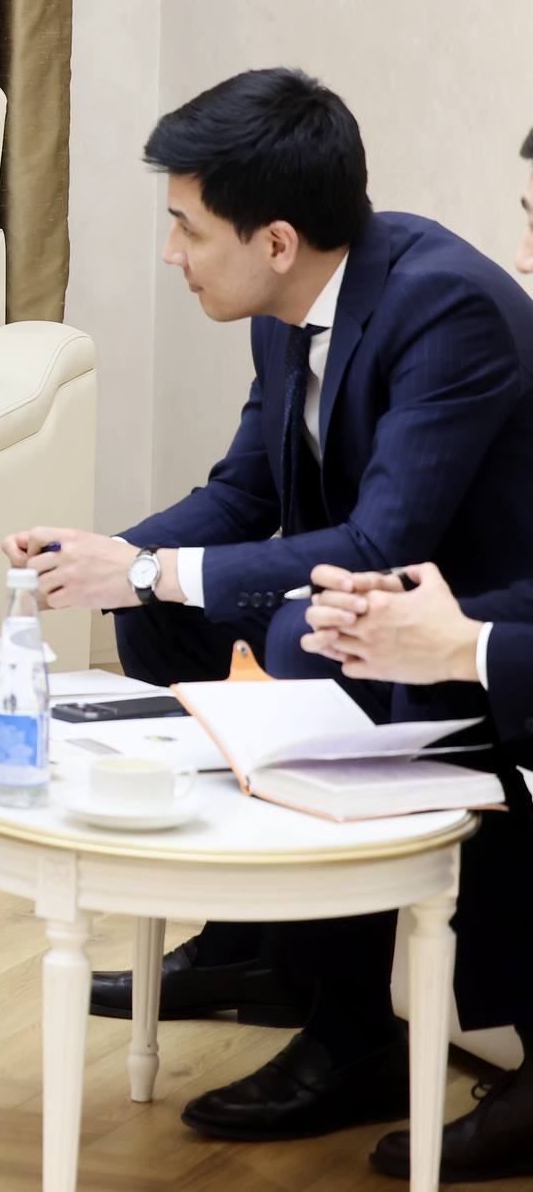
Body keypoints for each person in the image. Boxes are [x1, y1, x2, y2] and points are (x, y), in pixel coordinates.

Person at [5, 73, 533, 1143]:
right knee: (161, 607)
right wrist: (120, 556)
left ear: (277, 241)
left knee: (299, 632)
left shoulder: (445, 307)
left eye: (187, 228)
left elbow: (382, 545)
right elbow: (246, 489)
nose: (172, 253)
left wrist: (151, 570)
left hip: (477, 610)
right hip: (372, 591)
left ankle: (350, 1031)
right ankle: (252, 938)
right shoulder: (287, 311)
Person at [286, 130, 533, 1183]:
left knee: (469, 702)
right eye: (528, 218)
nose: (522, 256)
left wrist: (470, 643)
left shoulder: (448, 307)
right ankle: (331, 1008)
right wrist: (438, 620)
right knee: (380, 658)